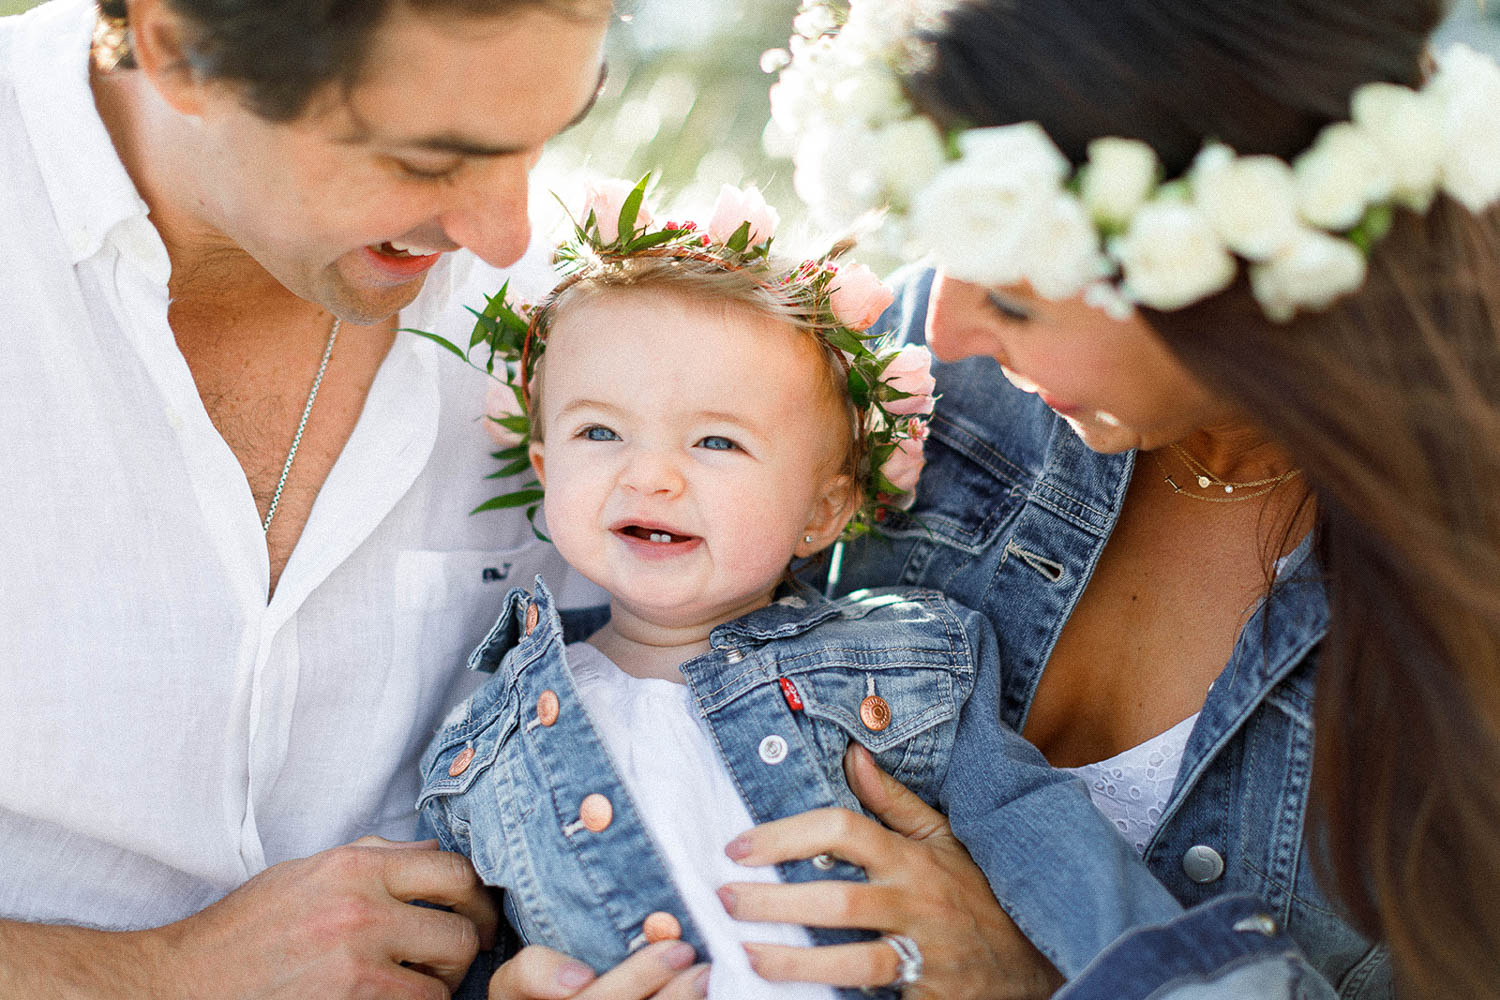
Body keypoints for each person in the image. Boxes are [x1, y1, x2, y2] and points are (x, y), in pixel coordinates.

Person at [704, 0, 1499, 998]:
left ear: (1228, 275)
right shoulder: (901, 371)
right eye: (944, 241)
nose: (941, 329)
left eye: (1014, 298)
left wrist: (1037, 978)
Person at [0, 0, 675, 995]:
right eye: (425, 159)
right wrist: (161, 976)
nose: (505, 233)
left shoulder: (590, 312)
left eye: (543, 140)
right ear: (179, 47)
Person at [414, 181, 1181, 1000]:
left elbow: (1047, 840)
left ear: (824, 510)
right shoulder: (481, 743)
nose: (650, 475)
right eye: (599, 431)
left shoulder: (913, 667)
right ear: (543, 467)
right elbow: (472, 950)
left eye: (716, 441)